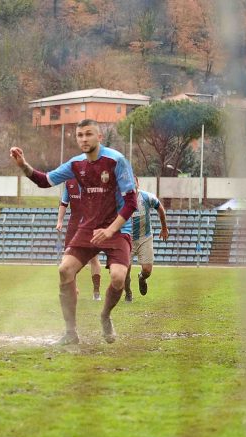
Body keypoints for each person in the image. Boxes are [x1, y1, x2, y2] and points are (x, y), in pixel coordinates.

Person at [10, 119, 137, 345]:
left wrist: (110, 230)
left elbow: (131, 203)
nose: (84, 139)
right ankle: (71, 332)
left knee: (118, 277)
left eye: (89, 134)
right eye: (80, 135)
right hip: (88, 227)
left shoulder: (116, 160)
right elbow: (45, 181)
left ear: (99, 137)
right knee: (65, 270)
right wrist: (23, 165)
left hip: (117, 228)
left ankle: (105, 316)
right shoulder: (76, 164)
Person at [56, 178, 102, 301]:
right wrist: (59, 221)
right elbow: (64, 203)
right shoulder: (69, 183)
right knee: (68, 258)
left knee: (93, 258)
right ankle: (73, 289)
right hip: (73, 226)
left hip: (90, 225)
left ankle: (96, 291)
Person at [125, 175, 168, 302]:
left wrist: (164, 228)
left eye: (133, 182)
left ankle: (142, 278)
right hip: (127, 239)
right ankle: (128, 293)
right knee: (125, 269)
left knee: (147, 270)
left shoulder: (147, 197)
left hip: (145, 238)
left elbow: (160, 208)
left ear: (137, 183)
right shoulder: (120, 200)